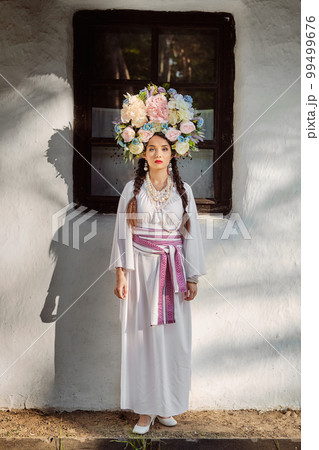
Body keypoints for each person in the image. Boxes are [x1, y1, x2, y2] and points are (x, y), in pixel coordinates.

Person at [109, 84, 207, 434]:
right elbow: (124, 234)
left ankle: (167, 404)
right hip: (142, 273)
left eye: (164, 148)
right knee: (143, 340)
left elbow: (190, 235)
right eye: (152, 149)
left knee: (172, 340)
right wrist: (122, 274)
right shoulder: (132, 191)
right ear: (143, 154)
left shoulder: (184, 192)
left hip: (174, 272)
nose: (158, 154)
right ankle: (145, 411)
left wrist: (193, 275)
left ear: (173, 154)